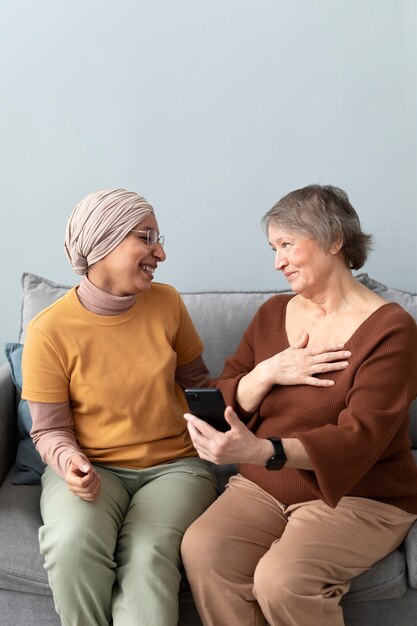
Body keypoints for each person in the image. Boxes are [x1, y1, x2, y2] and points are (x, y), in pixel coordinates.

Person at [22, 188, 355, 626]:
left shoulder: (167, 303)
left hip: (174, 467)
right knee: (70, 544)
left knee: (148, 555)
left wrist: (251, 406)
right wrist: (69, 464)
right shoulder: (48, 330)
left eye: (158, 238)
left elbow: (201, 389)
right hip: (92, 467)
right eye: (147, 237)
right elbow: (48, 430)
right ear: (104, 243)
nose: (160, 251)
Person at [181, 184, 417, 626]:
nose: (277, 261)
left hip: (358, 495)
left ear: (333, 240)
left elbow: (358, 439)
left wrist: (262, 451)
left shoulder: (392, 329)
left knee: (282, 579)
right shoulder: (272, 314)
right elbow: (225, 389)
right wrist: (267, 373)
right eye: (273, 247)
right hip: (262, 488)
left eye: (287, 244)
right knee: (203, 550)